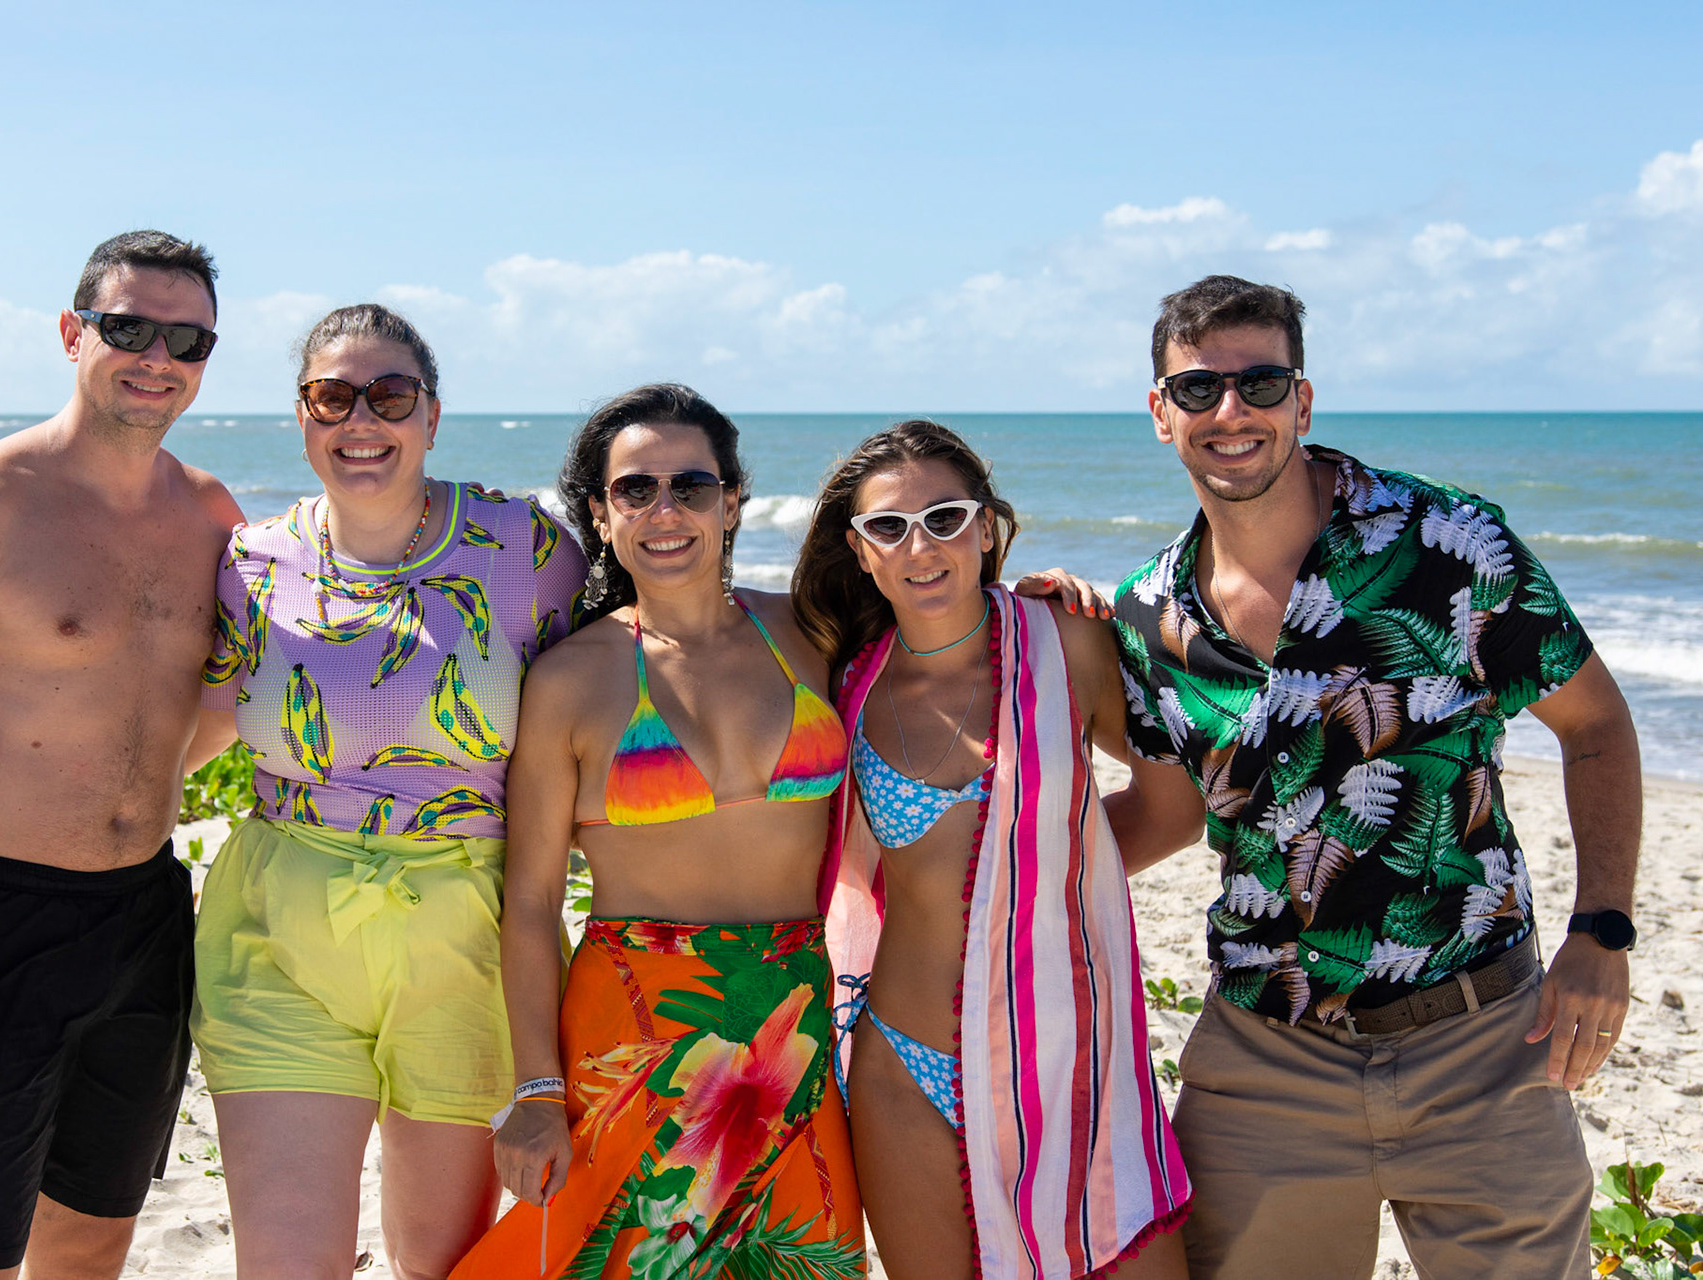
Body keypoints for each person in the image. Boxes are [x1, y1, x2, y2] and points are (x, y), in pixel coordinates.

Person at [1024, 274, 1641, 1280]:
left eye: (1261, 383)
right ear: (1158, 414)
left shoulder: (1447, 545)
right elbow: (1168, 815)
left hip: (1483, 1036)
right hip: (1265, 1058)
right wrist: (990, 869)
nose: (1231, 412)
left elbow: (1599, 724)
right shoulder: (1147, 617)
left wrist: (1602, 927)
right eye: (1197, 390)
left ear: (1303, 402)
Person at [0, 230, 243, 1278]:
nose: (157, 356)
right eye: (128, 328)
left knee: (92, 1240)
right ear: (74, 333)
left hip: (146, 921)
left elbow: (209, 710)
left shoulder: (212, 516)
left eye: (187, 338)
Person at [188, 303, 588, 1278]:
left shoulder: (528, 551)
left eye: (390, 394)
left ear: (433, 416)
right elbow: (176, 718)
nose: (361, 418)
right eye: (334, 395)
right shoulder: (250, 563)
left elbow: (652, 657)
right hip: (282, 931)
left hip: (468, 939)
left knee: (437, 1263)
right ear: (302, 416)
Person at [453, 384, 868, 1279]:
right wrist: (536, 1091)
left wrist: (1040, 593)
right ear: (601, 516)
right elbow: (527, 905)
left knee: (790, 1262)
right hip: (635, 1022)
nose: (666, 509)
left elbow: (952, 635)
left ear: (733, 500)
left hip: (791, 1017)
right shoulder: (571, 678)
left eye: (692, 484)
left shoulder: (810, 633)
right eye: (635, 490)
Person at [789, 421, 1191, 1279]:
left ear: (986, 526)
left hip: (1067, 1058)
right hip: (901, 1062)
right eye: (888, 528)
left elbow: (1172, 812)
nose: (920, 546)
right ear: (860, 553)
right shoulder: (848, 678)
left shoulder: (1066, 639)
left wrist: (1042, 869)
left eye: (945, 517)